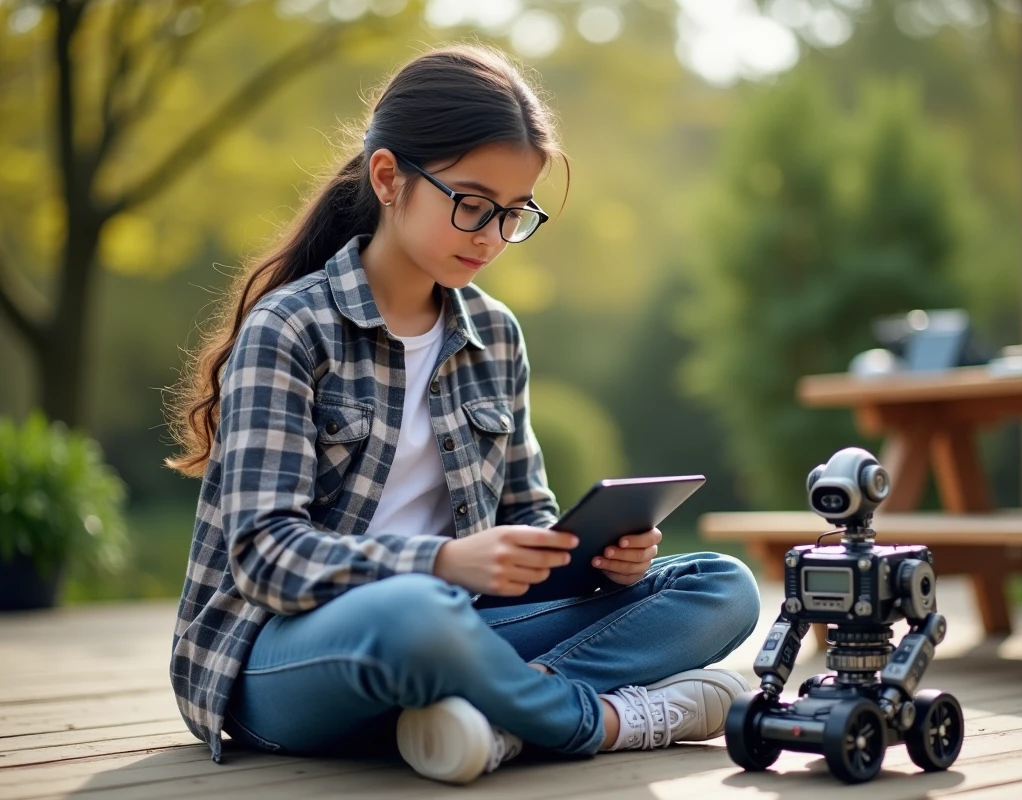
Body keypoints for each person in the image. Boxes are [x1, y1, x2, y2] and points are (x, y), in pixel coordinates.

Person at [164, 44, 761, 785]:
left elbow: (528, 518)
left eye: (513, 213)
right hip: (285, 657)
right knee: (415, 613)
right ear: (389, 178)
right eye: (472, 204)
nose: (490, 235)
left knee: (720, 586)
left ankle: (493, 716)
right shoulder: (290, 329)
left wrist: (598, 558)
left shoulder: (495, 336)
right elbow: (264, 557)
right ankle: (600, 722)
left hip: (458, 629)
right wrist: (441, 563)